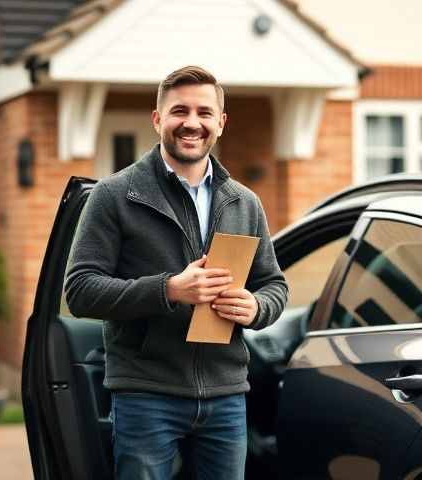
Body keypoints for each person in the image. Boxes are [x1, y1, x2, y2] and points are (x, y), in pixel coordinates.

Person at [64, 65, 288, 480]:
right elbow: (80, 290)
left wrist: (256, 306)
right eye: (179, 111)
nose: (191, 123)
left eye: (204, 113)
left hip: (226, 396)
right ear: (158, 119)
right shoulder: (116, 195)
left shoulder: (245, 202)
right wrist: (168, 289)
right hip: (146, 394)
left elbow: (274, 285)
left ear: (220, 123)